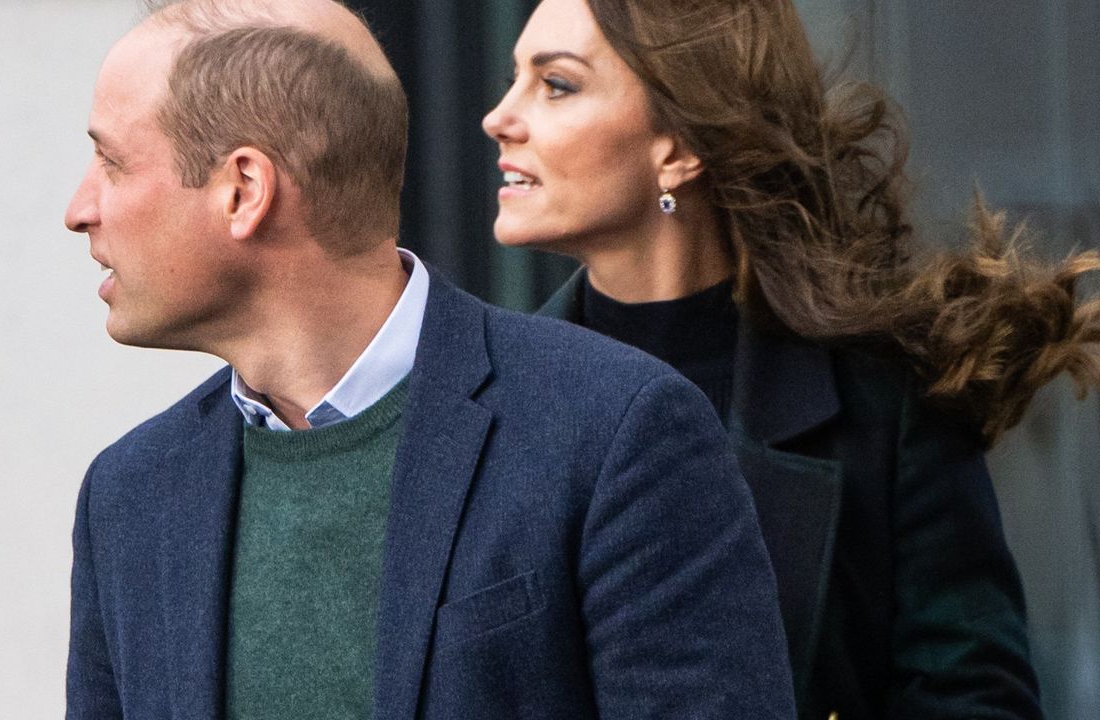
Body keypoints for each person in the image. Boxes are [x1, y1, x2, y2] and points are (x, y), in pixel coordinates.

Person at [62, 0, 796, 718]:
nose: (79, 208)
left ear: (244, 190)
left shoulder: (615, 432)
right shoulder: (127, 495)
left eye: (112, 162)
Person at [482, 0, 1100, 718]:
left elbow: (973, 702)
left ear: (679, 146)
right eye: (513, 77)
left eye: (556, 84)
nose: (500, 115)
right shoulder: (479, 410)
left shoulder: (883, 403)